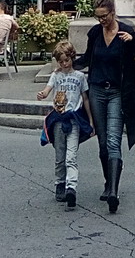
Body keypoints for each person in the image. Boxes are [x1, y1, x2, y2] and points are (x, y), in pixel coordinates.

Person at [74, 0, 135, 213]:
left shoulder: (126, 32)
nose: (102, 21)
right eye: (98, 17)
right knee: (102, 142)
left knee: (113, 140)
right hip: (97, 91)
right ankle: (108, 182)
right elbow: (87, 58)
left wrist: (133, 41)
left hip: (118, 92)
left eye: (105, 16)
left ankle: (114, 193)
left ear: (113, 13)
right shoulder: (95, 33)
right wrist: (67, 64)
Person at [36, 40, 93, 207]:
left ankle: (71, 187)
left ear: (72, 58)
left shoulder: (80, 77)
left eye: (66, 60)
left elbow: (85, 99)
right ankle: (60, 183)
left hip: (74, 119)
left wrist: (91, 121)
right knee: (60, 156)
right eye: (60, 62)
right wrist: (43, 94)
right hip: (59, 120)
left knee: (71, 157)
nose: (64, 64)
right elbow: (48, 89)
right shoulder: (56, 75)